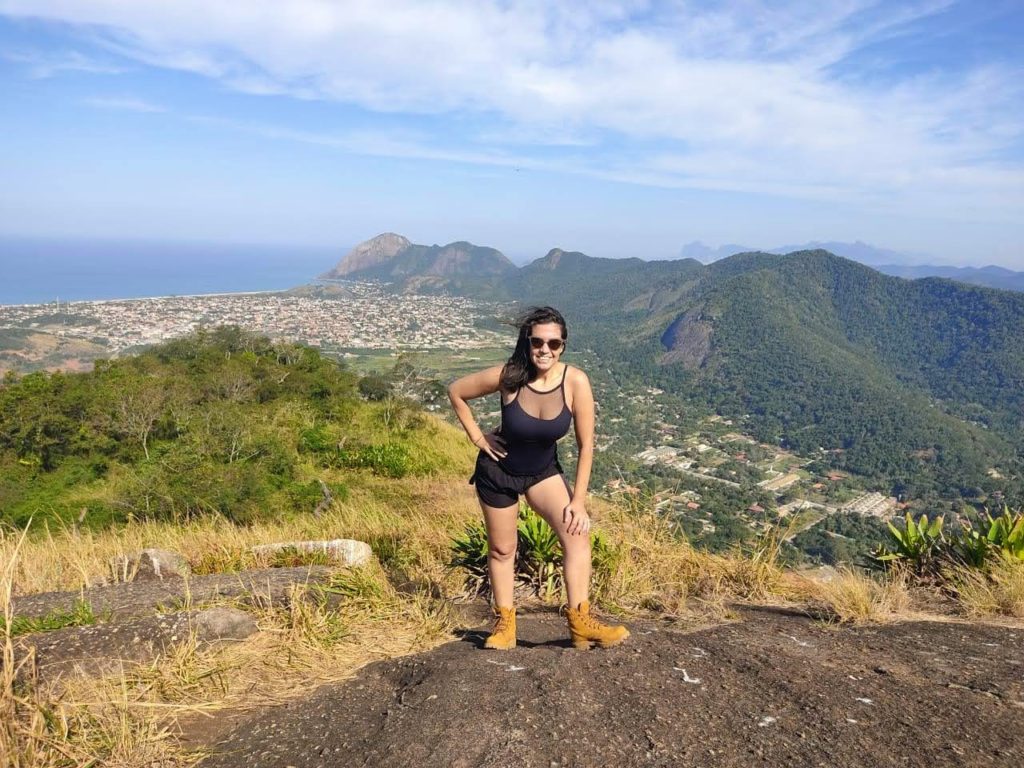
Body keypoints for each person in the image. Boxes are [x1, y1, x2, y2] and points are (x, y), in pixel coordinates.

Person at [447, 306, 629, 650]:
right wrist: (478, 437)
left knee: (576, 536)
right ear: (527, 343)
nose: (545, 350)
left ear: (563, 345)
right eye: (538, 342)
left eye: (554, 343)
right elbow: (457, 391)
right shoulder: (510, 375)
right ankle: (505, 626)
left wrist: (578, 501)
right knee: (503, 549)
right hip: (498, 472)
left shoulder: (575, 381)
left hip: (542, 473)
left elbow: (586, 445)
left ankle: (581, 623)